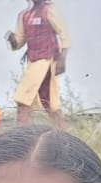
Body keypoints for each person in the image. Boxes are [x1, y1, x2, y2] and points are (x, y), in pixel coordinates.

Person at [6, 0, 72, 129]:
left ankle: (21, 130)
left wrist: (62, 59)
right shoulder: (25, 16)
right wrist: (13, 40)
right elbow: (20, 41)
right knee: (48, 99)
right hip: (33, 61)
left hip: (46, 59)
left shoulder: (49, 10)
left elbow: (64, 34)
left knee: (23, 96)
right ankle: (64, 129)